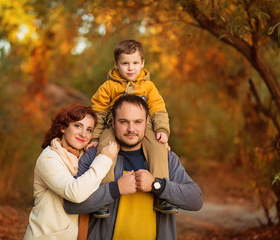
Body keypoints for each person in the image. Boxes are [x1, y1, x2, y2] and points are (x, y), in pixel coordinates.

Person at [64, 95, 203, 239]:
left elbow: (195, 200)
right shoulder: (95, 155)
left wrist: (157, 185)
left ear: (146, 123)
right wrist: (114, 189)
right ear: (112, 123)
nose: (131, 129)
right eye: (124, 122)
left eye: (138, 122)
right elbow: (72, 205)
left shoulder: (165, 157)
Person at [86, 39, 175, 217]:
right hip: (114, 127)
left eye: (135, 63)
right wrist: (95, 137)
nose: (130, 68)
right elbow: (98, 113)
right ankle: (104, 195)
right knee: (105, 149)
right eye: (125, 63)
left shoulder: (148, 87)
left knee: (158, 148)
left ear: (142, 63)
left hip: (145, 129)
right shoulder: (108, 87)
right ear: (116, 65)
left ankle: (162, 196)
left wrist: (162, 131)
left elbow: (158, 110)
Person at [23, 104, 118, 240]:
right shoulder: (49, 159)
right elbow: (75, 193)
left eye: (89, 130)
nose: (84, 134)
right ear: (63, 127)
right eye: (78, 126)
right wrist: (104, 158)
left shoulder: (82, 158)